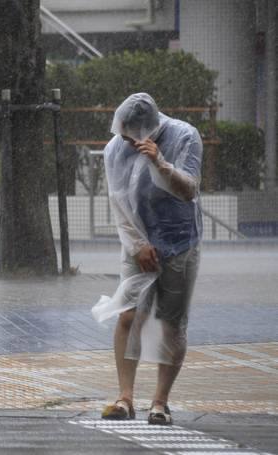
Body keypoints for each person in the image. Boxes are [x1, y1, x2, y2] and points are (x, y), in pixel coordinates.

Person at [92, 93, 202, 426]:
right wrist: (138, 244)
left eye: (129, 133)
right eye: (120, 132)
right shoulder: (115, 149)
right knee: (128, 316)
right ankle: (125, 397)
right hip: (136, 244)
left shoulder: (184, 136)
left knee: (171, 324)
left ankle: (160, 402)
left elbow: (189, 190)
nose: (123, 138)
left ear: (147, 129)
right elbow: (117, 200)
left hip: (180, 242)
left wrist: (159, 162)